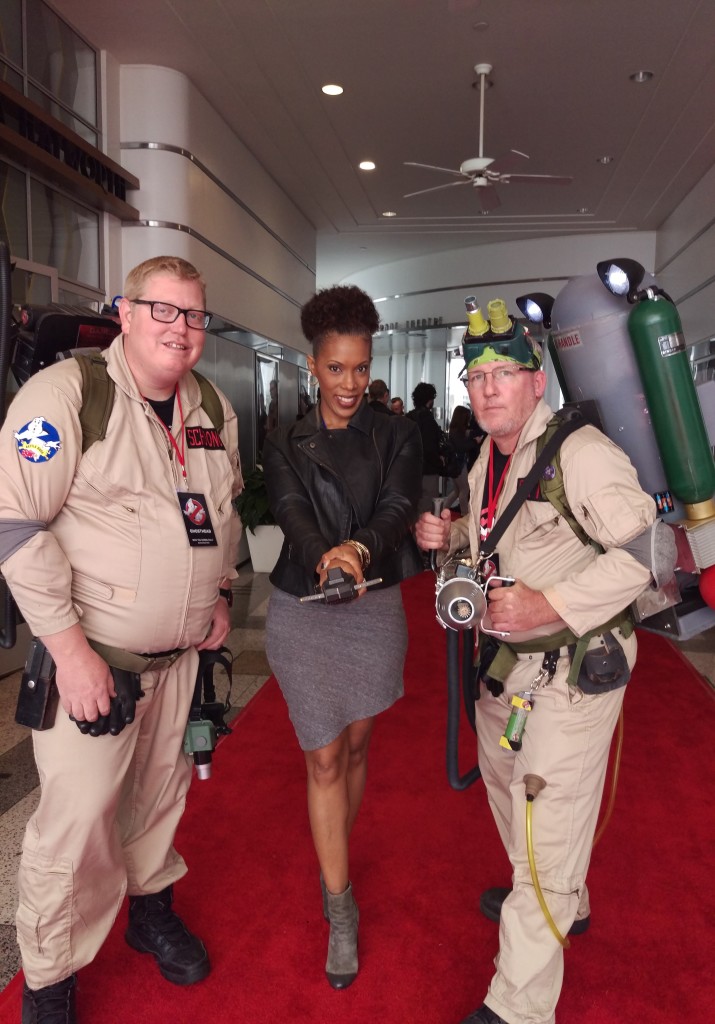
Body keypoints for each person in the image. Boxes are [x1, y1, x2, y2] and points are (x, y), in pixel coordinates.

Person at [0, 256, 243, 1023]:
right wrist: (70, 653)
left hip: (178, 665)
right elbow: (12, 523)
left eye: (194, 316)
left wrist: (221, 596)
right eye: (163, 311)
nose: (180, 329)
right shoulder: (67, 395)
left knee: (156, 801)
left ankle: (149, 913)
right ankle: (48, 978)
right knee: (73, 827)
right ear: (126, 313)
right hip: (95, 665)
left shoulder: (209, 406)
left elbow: (222, 510)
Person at [415, 318, 662, 1024]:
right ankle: (560, 895)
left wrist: (547, 604)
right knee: (509, 800)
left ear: (535, 380)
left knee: (543, 824)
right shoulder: (491, 455)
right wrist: (451, 535)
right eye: (476, 377)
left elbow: (648, 552)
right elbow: (495, 533)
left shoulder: (578, 454)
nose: (487, 389)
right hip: (505, 667)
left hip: (571, 668)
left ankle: (519, 1007)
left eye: (502, 375)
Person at [262, 284, 423, 991]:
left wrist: (358, 551)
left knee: (357, 744)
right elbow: (292, 512)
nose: (351, 384)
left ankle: (337, 855)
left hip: (371, 603)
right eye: (336, 369)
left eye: (360, 368)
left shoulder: (396, 434)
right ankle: (341, 903)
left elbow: (397, 506)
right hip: (304, 603)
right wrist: (328, 556)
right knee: (322, 755)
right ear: (312, 365)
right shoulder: (285, 439)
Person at [406, 381, 444, 513]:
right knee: (427, 509)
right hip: (427, 469)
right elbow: (429, 447)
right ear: (430, 400)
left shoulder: (408, 417)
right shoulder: (427, 419)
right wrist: (439, 462)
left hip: (411, 469)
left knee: (414, 509)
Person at [446, 404, 482, 514]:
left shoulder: (455, 430)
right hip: (459, 464)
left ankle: (443, 509)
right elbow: (462, 446)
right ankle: (464, 514)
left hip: (456, 464)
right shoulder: (457, 431)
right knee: (464, 489)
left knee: (457, 491)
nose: (469, 419)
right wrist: (475, 442)